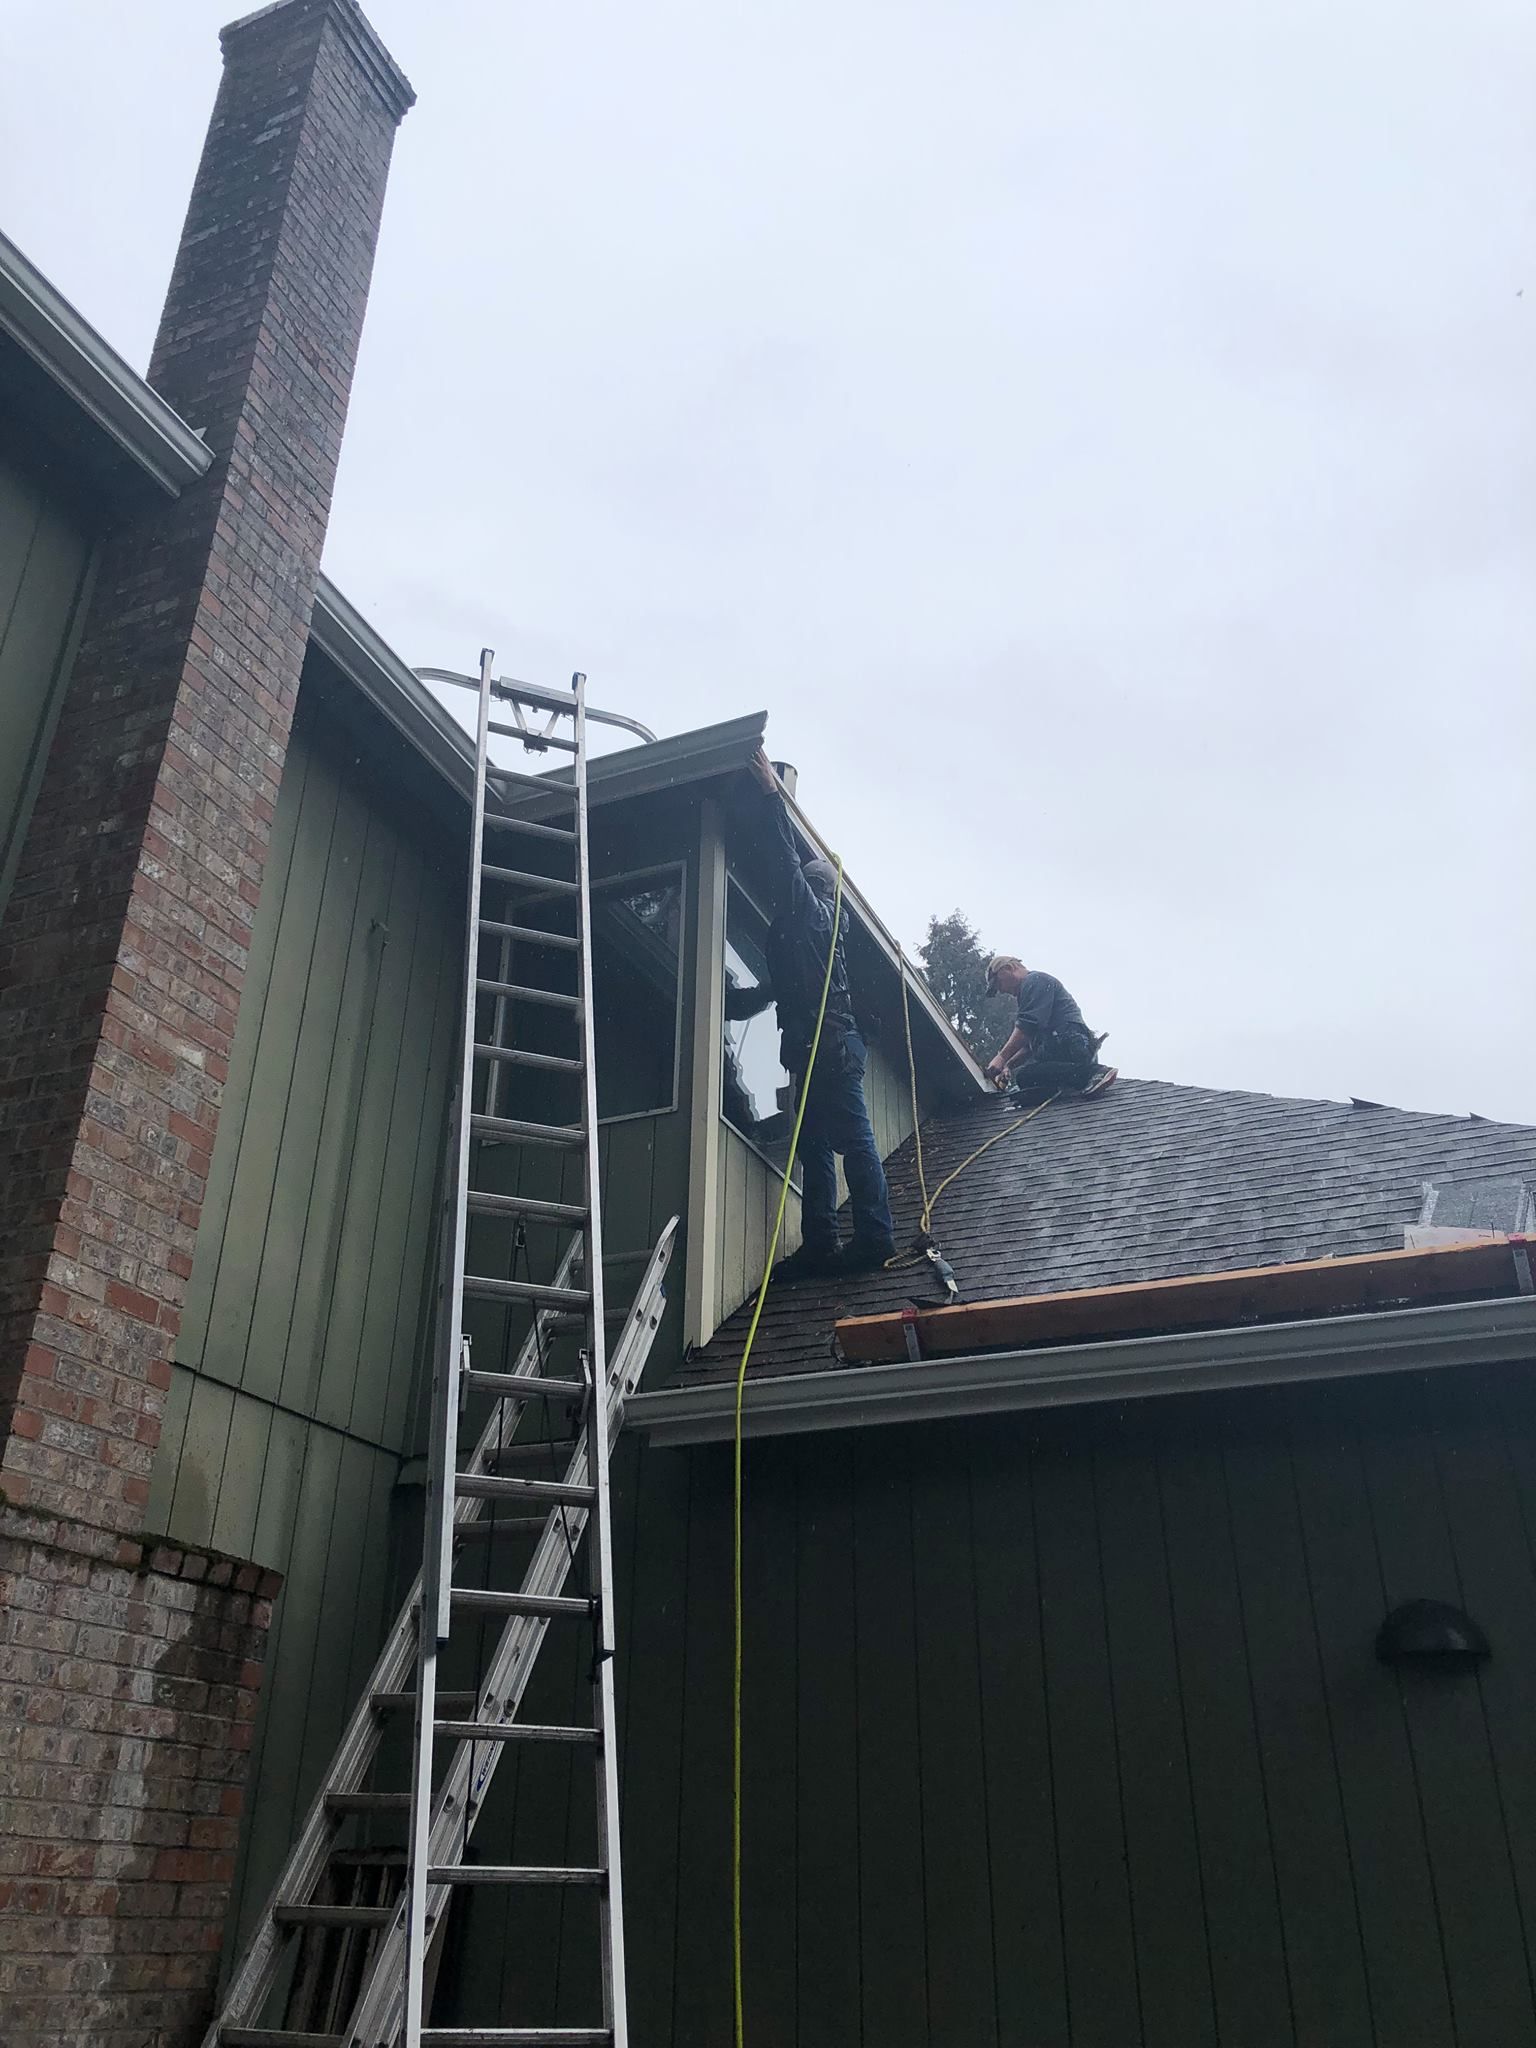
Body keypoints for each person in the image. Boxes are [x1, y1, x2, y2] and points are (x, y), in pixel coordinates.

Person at [735, 745, 896, 1274]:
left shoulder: (813, 916)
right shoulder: (803, 938)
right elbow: (779, 991)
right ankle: (822, 1243)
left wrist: (771, 797)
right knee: (814, 1144)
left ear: (815, 888)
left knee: (850, 1140)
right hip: (815, 1046)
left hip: (827, 1044)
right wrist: (731, 1001)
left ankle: (875, 1236)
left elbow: (785, 860)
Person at [983, 955, 1117, 1099]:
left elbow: (1028, 1025)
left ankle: (1094, 1072)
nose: (1001, 990)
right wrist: (1008, 1065)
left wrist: (1001, 1057)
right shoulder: (1031, 990)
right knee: (1026, 1080)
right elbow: (1029, 1045)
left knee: (1026, 1076)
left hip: (1068, 1044)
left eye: (998, 983)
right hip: (1066, 1048)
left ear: (1008, 969)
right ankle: (1082, 1077)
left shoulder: (1035, 981)